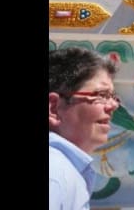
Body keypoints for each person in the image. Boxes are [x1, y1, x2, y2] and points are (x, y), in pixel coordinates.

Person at [49, 47, 120, 210]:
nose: (114, 105)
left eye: (113, 97)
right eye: (101, 95)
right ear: (53, 108)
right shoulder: (54, 175)